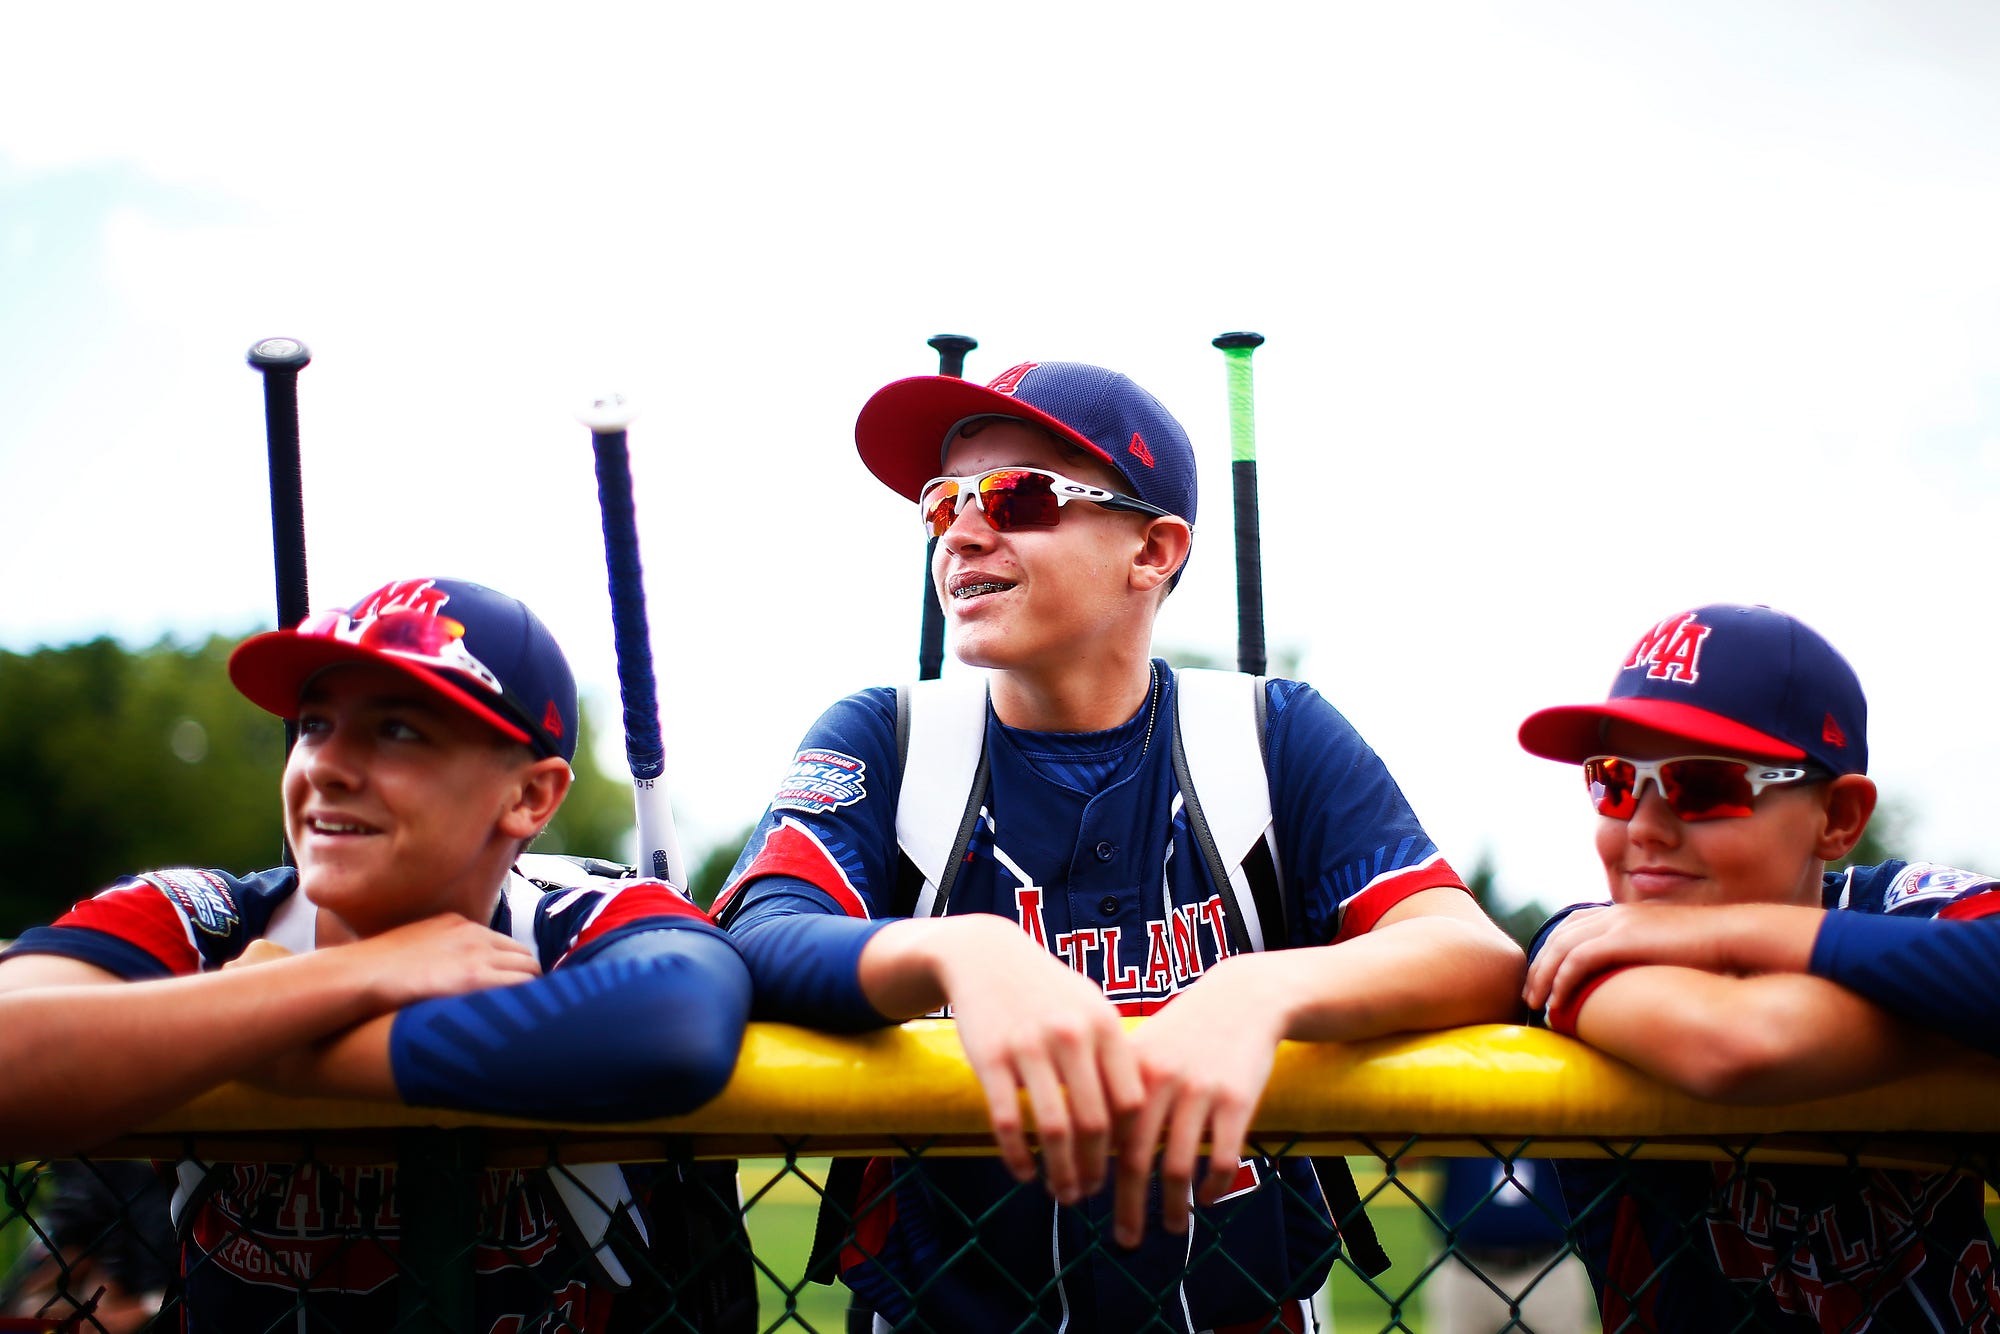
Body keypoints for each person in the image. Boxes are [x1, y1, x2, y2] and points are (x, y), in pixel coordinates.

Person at [714, 359, 1525, 1330]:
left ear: (1153, 550)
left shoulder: (1267, 734)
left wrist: (1260, 989)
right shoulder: (887, 736)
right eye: (941, 503)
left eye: (1015, 497)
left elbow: (1469, 952)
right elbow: (760, 933)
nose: (961, 530)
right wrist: (956, 950)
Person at [0, 576, 754, 1332]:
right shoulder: (206, 916)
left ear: (530, 796)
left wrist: (280, 1051)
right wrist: (344, 979)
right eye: (315, 724)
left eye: (397, 730)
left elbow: (678, 1023)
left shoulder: (577, 916)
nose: (324, 766)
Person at [1518, 602, 2000, 1331]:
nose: (1643, 826)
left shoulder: (1894, 904)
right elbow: (1743, 1044)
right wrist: (1949, 1013)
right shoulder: (1584, 943)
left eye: (1704, 785)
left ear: (1837, 817)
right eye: (1613, 780)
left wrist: (1726, 934)